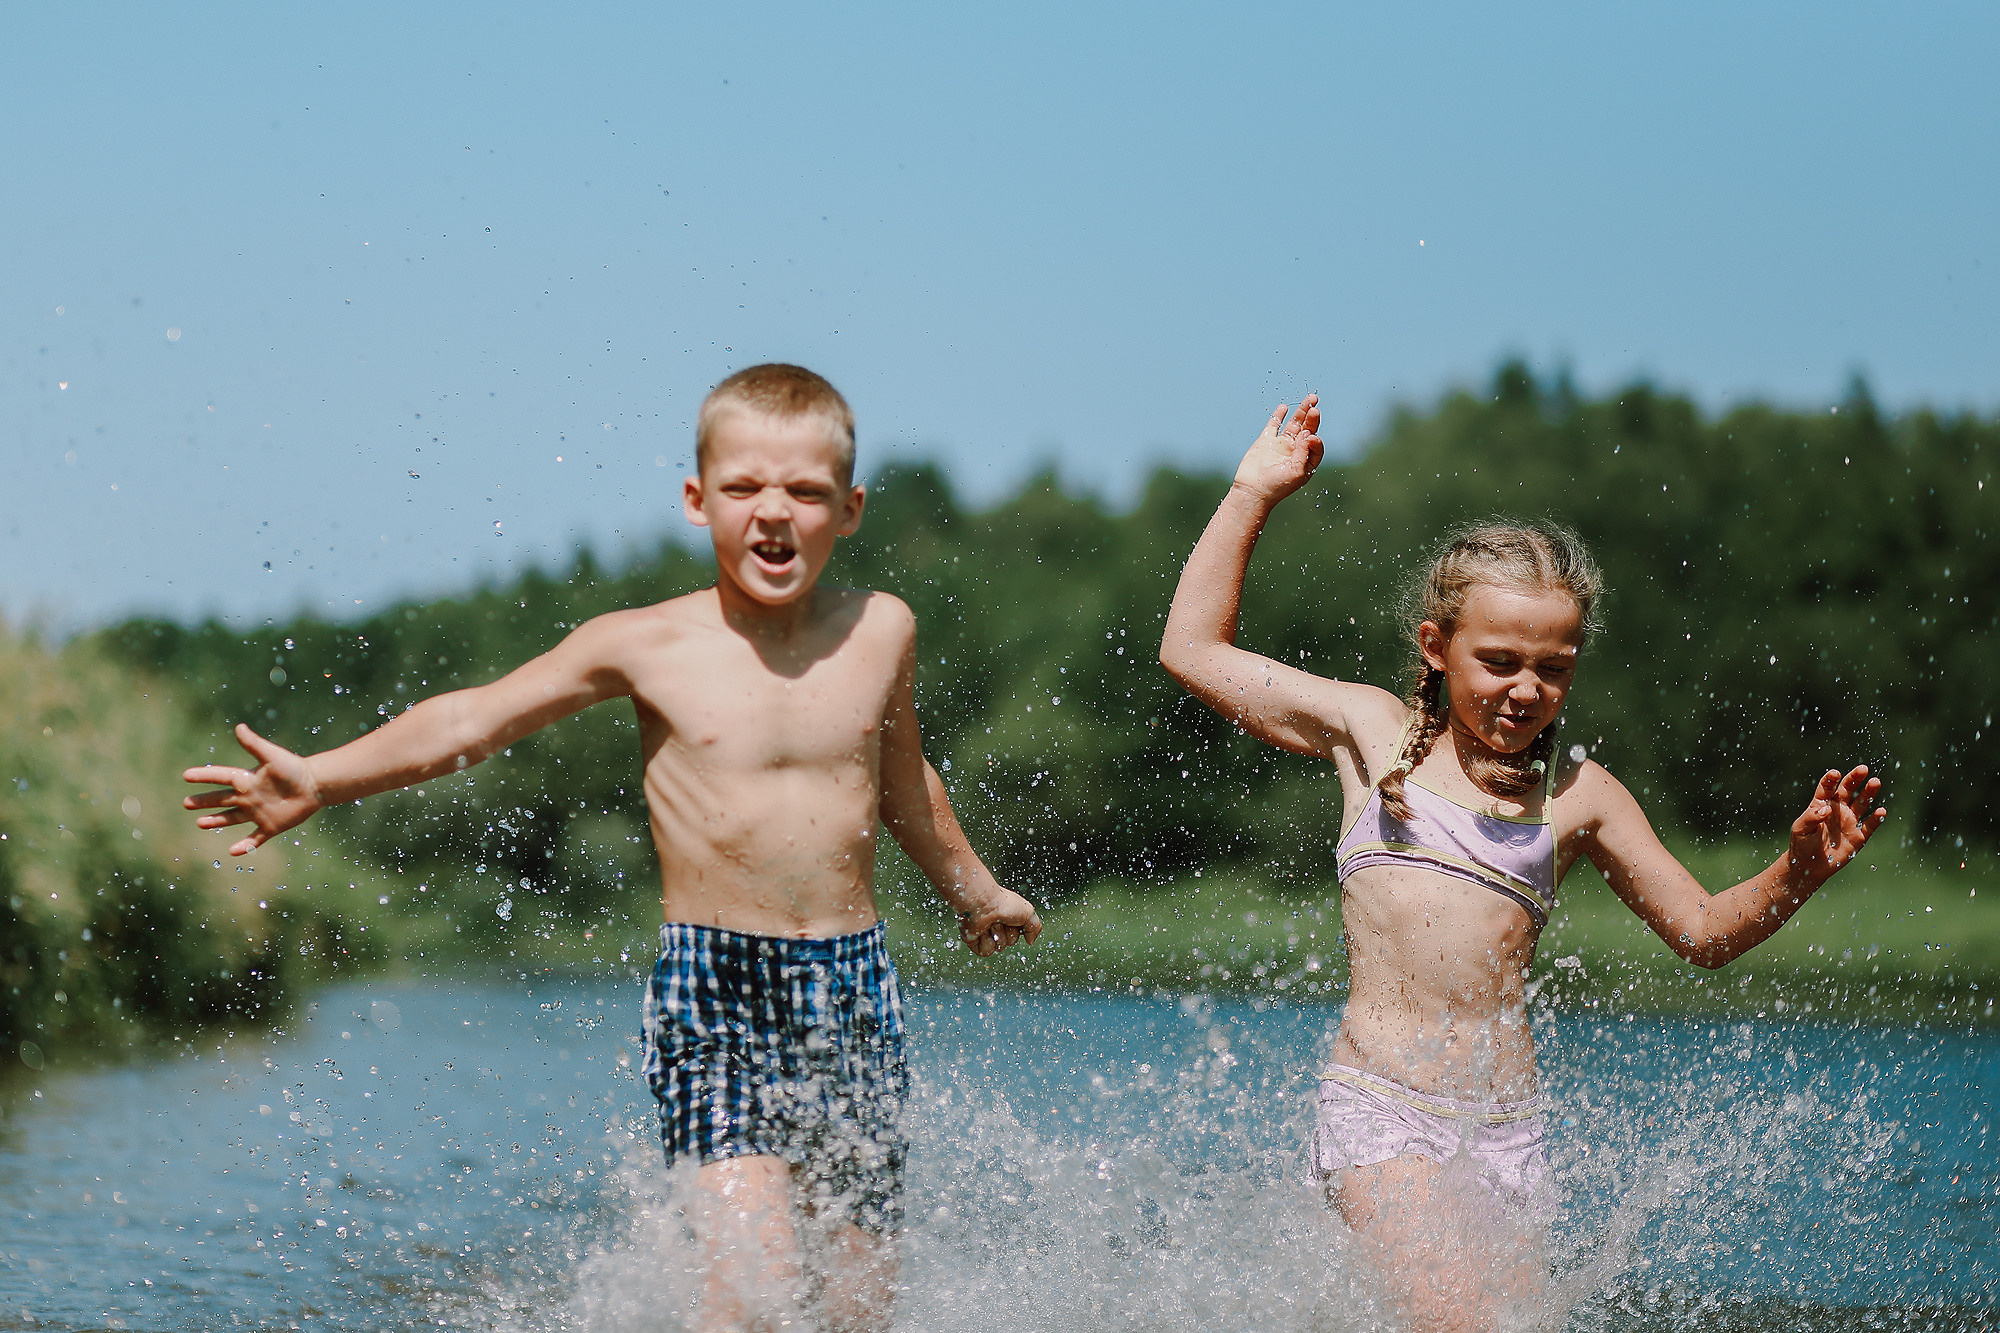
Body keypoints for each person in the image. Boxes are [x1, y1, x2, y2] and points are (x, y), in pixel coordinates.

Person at [183, 363, 1042, 1333]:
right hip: (715, 988)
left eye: (804, 492)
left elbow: (903, 779)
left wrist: (975, 891)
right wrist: (325, 775)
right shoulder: (646, 643)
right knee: (751, 1296)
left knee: (857, 1309)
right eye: (743, 488)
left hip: (853, 987)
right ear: (695, 500)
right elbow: (476, 716)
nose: (773, 513)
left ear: (847, 509)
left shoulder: (881, 629)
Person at [1159, 394, 1885, 1333]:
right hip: (1381, 1112)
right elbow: (1190, 648)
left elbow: (1704, 933)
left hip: (1508, 1139)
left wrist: (1797, 873)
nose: (1525, 690)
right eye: (1498, 661)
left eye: (1554, 667)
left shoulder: (1581, 799)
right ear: (1437, 647)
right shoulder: (1370, 731)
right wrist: (1253, 489)